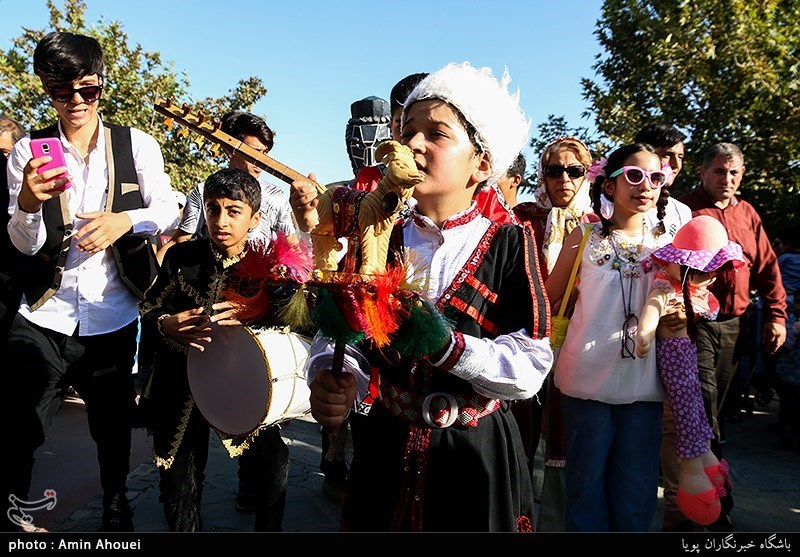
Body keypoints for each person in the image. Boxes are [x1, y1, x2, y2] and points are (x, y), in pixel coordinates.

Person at [296, 61, 553, 531]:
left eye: (436, 134)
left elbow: (531, 366)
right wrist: (334, 377)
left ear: (481, 163)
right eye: (407, 130)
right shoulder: (380, 231)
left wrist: (449, 348)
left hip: (475, 457)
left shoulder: (511, 240)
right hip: (384, 449)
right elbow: (345, 333)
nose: (412, 144)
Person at [3, 31, 178, 532]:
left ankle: (116, 503)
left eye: (87, 89)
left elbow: (170, 207)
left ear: (102, 84)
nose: (76, 101)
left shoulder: (135, 144)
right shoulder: (28, 152)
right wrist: (28, 205)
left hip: (112, 314)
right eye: (61, 90)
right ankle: (14, 517)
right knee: (21, 428)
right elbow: (22, 245)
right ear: (46, 88)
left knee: (112, 428)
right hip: (43, 310)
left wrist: (125, 221)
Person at [139, 167, 300, 531]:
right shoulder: (183, 258)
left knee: (272, 460)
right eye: (213, 209)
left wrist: (261, 305)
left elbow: (294, 325)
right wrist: (166, 324)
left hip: (243, 385)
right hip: (179, 382)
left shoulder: (270, 267)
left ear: (255, 218)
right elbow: (149, 308)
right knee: (179, 473)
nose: (220, 220)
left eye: (233, 210)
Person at [546, 142, 675, 531]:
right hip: (586, 383)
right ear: (609, 186)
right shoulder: (582, 238)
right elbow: (548, 298)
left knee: (636, 494)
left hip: (646, 386)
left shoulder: (669, 246)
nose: (645, 185)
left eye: (656, 177)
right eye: (634, 176)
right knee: (585, 491)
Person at [679, 142, 787, 531]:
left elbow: (769, 268)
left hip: (736, 326)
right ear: (704, 173)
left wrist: (777, 317)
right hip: (696, 324)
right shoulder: (685, 209)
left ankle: (699, 497)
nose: (727, 179)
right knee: (704, 409)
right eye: (719, 172)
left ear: (742, 175)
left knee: (719, 412)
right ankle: (713, 508)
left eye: (734, 173)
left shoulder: (748, 213)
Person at [636, 215, 744, 526]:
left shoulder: (693, 292)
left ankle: (705, 460)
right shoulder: (666, 286)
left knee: (695, 411)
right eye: (701, 270)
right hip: (674, 362)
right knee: (684, 414)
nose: (709, 278)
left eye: (713, 271)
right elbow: (653, 308)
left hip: (688, 362)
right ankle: (692, 469)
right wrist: (645, 332)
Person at [512, 135, 596, 531]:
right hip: (525, 338)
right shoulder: (522, 219)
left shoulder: (601, 227)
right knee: (522, 424)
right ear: (542, 175)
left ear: (588, 174)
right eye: (553, 170)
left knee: (566, 433)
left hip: (580, 341)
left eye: (574, 170)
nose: (564, 178)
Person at [633, 123, 696, 532]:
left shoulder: (684, 213)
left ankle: (679, 510)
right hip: (625, 325)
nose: (669, 164)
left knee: (677, 419)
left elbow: (696, 269)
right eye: (661, 155)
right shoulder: (622, 196)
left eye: (676, 157)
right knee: (638, 417)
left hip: (674, 326)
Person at [157, 110, 296, 263]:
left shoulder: (275, 196)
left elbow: (292, 247)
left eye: (265, 153)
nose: (261, 161)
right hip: (209, 282)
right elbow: (179, 242)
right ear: (230, 150)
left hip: (258, 283)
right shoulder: (204, 191)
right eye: (255, 153)